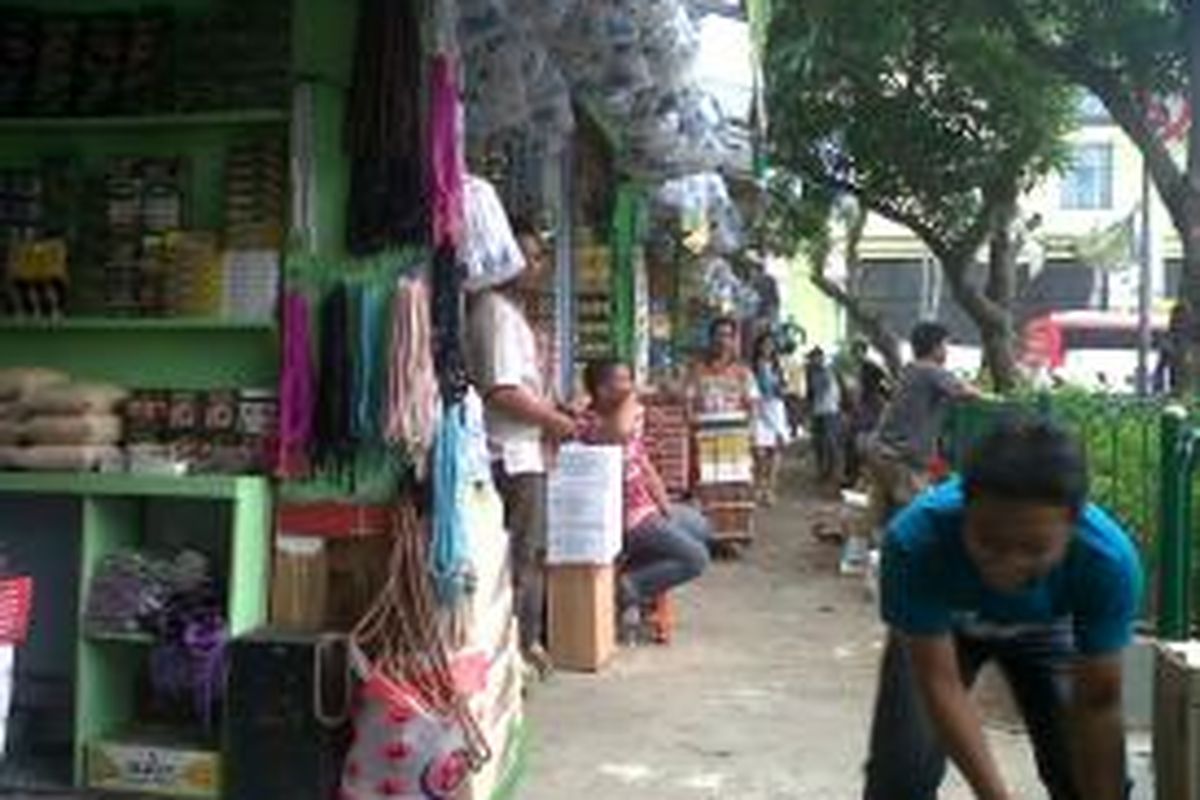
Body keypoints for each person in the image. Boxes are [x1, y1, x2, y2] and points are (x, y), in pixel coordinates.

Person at [863, 418, 1142, 800]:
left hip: (1046, 628)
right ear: (964, 508)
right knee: (900, 776)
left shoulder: (1107, 560)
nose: (1008, 564)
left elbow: (1098, 702)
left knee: (1081, 770)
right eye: (989, 543)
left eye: (1034, 549)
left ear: (1073, 524)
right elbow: (938, 682)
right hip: (947, 629)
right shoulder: (915, 541)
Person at [466, 217, 576, 678]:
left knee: (527, 556)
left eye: (538, 256)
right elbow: (502, 392)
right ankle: (518, 649)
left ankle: (521, 646)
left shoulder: (508, 313)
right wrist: (554, 420)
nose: (537, 266)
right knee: (521, 557)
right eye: (528, 256)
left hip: (522, 451)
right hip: (508, 455)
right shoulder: (492, 311)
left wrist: (556, 411)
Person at [578, 359, 711, 634]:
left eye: (630, 380)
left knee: (700, 526)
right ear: (602, 391)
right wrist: (633, 398)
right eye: (622, 381)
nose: (629, 387)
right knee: (697, 559)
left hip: (645, 509)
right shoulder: (588, 423)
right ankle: (627, 589)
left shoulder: (627, 415)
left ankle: (638, 575)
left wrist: (665, 507)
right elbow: (619, 433)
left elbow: (643, 464)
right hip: (625, 518)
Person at [866, 322, 981, 529]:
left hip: (883, 452)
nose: (947, 351)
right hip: (901, 460)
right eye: (945, 345)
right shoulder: (929, 370)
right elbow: (967, 393)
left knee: (879, 514)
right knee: (913, 519)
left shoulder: (910, 369)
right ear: (935, 347)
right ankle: (896, 557)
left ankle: (865, 555)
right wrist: (987, 396)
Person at [687, 316, 759, 417]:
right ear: (711, 338)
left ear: (732, 341)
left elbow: (753, 406)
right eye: (719, 335)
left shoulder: (743, 372)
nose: (722, 340)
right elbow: (688, 403)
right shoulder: (696, 371)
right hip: (705, 429)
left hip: (736, 430)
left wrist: (752, 429)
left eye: (727, 336)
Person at [751, 331, 790, 506]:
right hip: (758, 408)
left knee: (775, 450)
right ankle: (759, 486)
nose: (767, 348)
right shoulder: (752, 366)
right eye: (764, 344)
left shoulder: (778, 366)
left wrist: (781, 388)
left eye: (771, 344)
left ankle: (770, 489)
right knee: (759, 452)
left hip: (775, 408)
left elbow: (784, 388)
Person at [805, 347, 842, 486]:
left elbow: (820, 390)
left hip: (829, 411)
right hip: (818, 411)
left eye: (815, 357)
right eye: (811, 358)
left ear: (821, 358)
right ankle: (823, 471)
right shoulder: (813, 373)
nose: (812, 360)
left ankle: (833, 473)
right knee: (818, 442)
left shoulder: (826, 372)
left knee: (830, 441)